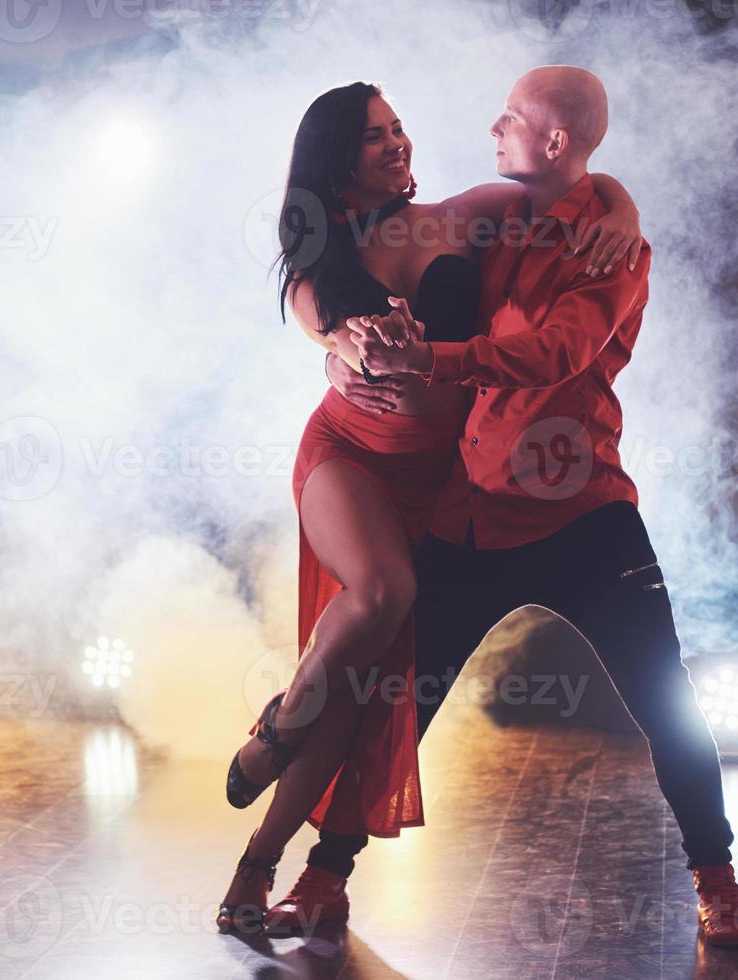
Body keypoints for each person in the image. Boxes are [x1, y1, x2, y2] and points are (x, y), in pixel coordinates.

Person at [293, 65, 738, 948]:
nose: (491, 127)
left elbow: (553, 353)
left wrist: (425, 363)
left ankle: (719, 883)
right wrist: (333, 341)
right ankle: (323, 876)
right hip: (473, 510)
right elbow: (339, 258)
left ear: (551, 141)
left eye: (510, 118)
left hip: (585, 516)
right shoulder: (495, 212)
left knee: (668, 703)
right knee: (404, 694)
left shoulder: (617, 250)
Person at [216, 79, 644, 934]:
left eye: (399, 128)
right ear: (337, 164)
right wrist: (355, 352)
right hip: (348, 459)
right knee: (384, 594)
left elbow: (574, 186)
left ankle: (254, 872)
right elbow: (335, 338)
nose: (397, 144)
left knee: (366, 695)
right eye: (376, 137)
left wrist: (621, 215)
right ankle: (276, 724)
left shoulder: (464, 215)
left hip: (434, 484)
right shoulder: (314, 274)